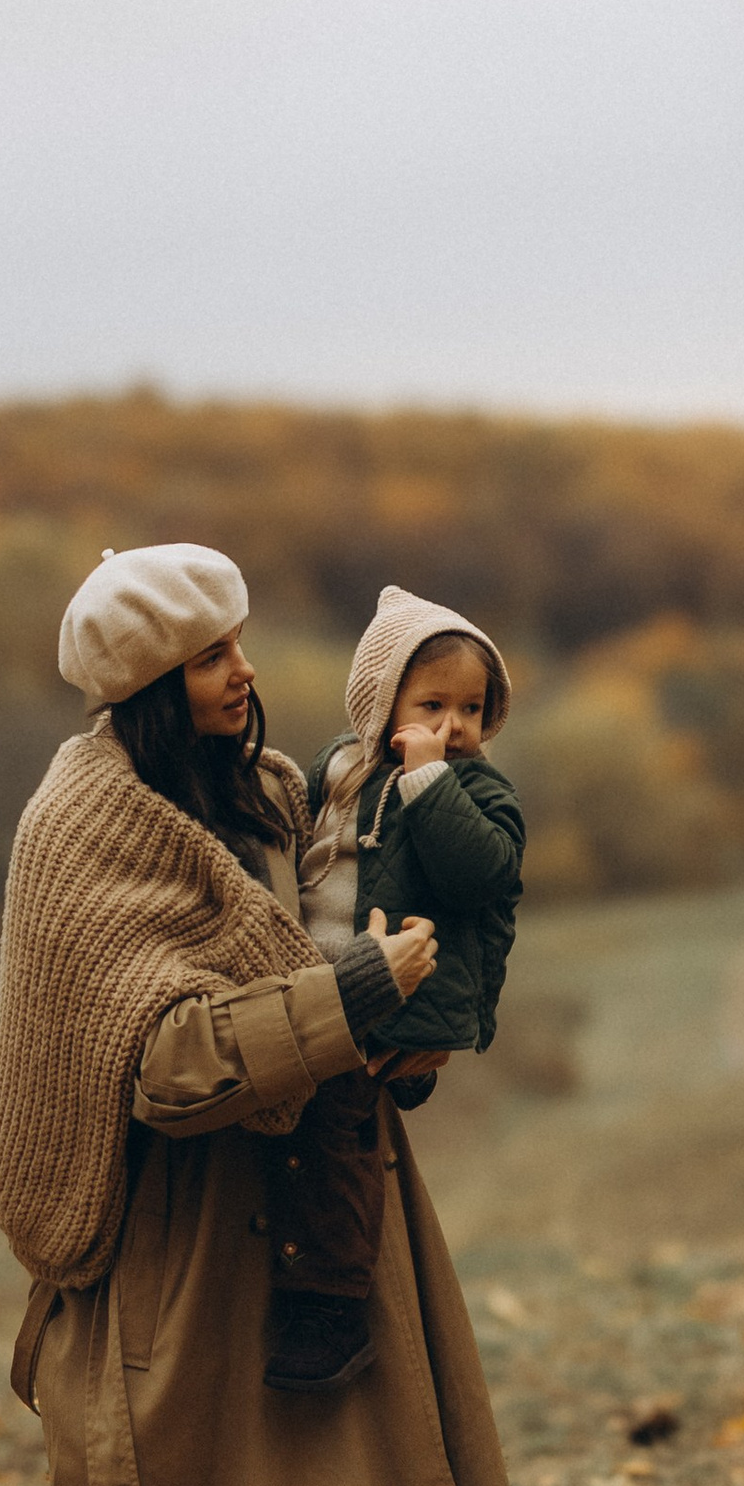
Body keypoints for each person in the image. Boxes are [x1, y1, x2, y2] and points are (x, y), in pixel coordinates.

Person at [0, 542, 541, 1486]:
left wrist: (418, 1020)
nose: (247, 673)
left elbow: (373, 939)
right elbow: (163, 1066)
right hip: (157, 1241)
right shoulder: (83, 826)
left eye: (238, 646)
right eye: (218, 657)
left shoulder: (278, 796)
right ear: (159, 682)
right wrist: (353, 1000)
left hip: (308, 1216)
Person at [270, 586, 523, 1392]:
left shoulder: (474, 789)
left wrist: (429, 784)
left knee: (340, 1136)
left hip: (396, 1000)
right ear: (380, 704)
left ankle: (333, 1314)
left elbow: (480, 876)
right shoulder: (338, 769)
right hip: (318, 983)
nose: (454, 727)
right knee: (287, 1134)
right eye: (432, 704)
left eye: (472, 708)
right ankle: (284, 1279)